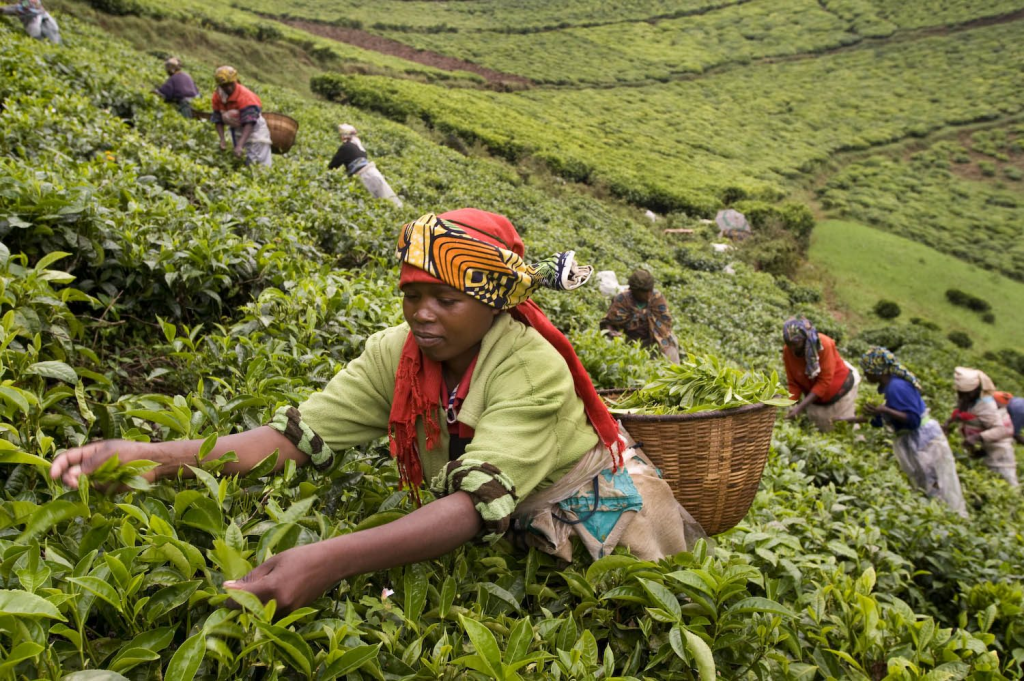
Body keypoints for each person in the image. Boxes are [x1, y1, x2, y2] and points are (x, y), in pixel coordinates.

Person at [49, 209, 704, 614]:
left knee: (637, 617)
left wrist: (326, 558)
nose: (422, 312)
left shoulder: (530, 363)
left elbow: (473, 506)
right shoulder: (400, 352)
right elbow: (288, 439)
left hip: (597, 510)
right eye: (412, 294)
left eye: (445, 298)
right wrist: (151, 456)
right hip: (508, 503)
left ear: (493, 301)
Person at [841, 347, 967, 518]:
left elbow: (913, 420)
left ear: (877, 371)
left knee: (937, 481)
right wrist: (848, 421)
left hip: (923, 440)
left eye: (867, 371)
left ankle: (951, 517)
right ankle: (937, 516)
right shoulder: (884, 388)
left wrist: (883, 409)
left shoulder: (897, 387)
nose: (865, 375)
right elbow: (879, 420)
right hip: (910, 440)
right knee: (923, 482)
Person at [781, 317, 859, 432]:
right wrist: (790, 404)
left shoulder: (824, 345)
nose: (792, 348)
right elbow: (793, 382)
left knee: (843, 430)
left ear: (805, 338)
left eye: (795, 343)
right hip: (816, 398)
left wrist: (800, 408)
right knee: (821, 429)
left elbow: (824, 381)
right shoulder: (788, 351)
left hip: (840, 391)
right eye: (788, 343)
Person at [945, 368, 1018, 487]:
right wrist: (948, 423)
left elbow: (1001, 430)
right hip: (982, 448)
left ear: (977, 390)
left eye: (967, 394)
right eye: (961, 394)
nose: (964, 397)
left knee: (1006, 481)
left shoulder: (987, 405)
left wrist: (976, 437)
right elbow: (962, 413)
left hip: (998, 449)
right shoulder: (967, 399)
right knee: (984, 479)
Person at [599, 268, 680, 363]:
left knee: (671, 347)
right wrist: (614, 334)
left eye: (650, 291)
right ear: (634, 291)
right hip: (629, 341)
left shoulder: (657, 298)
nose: (648, 295)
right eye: (644, 293)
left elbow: (665, 323)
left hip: (655, 339)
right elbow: (609, 322)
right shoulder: (623, 300)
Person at [210, 66, 272, 167]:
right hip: (237, 130)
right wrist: (222, 140)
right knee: (243, 161)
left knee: (257, 163)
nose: (228, 88)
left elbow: (249, 122)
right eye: (224, 86)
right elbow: (217, 119)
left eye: (230, 84)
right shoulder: (218, 96)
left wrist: (240, 145)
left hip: (255, 131)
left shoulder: (245, 96)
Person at [328, 124, 403, 208]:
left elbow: (332, 166)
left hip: (365, 176)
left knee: (376, 202)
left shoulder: (346, 147)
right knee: (388, 198)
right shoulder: (358, 146)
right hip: (373, 172)